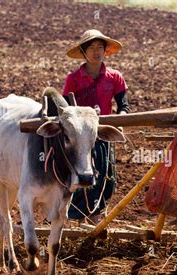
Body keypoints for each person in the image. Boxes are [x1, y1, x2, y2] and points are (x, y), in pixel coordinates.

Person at [62, 29, 130, 224]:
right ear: (83, 52)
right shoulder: (73, 79)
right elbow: (66, 110)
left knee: (105, 177)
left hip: (103, 133)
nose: (96, 52)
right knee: (80, 175)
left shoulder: (114, 77)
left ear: (105, 51)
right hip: (80, 137)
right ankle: (73, 219)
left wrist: (122, 120)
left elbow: (123, 106)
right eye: (91, 48)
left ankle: (95, 216)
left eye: (100, 47)